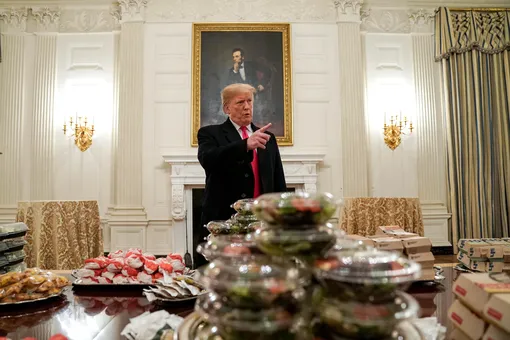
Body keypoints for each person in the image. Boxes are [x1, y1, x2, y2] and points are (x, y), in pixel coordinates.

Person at [195, 83, 286, 267]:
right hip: (224, 221)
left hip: (261, 223)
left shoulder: (267, 137)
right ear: (227, 108)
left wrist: (281, 217)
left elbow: (277, 179)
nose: (247, 106)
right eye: (240, 102)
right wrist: (245, 145)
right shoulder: (210, 133)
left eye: (249, 101)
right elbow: (209, 159)